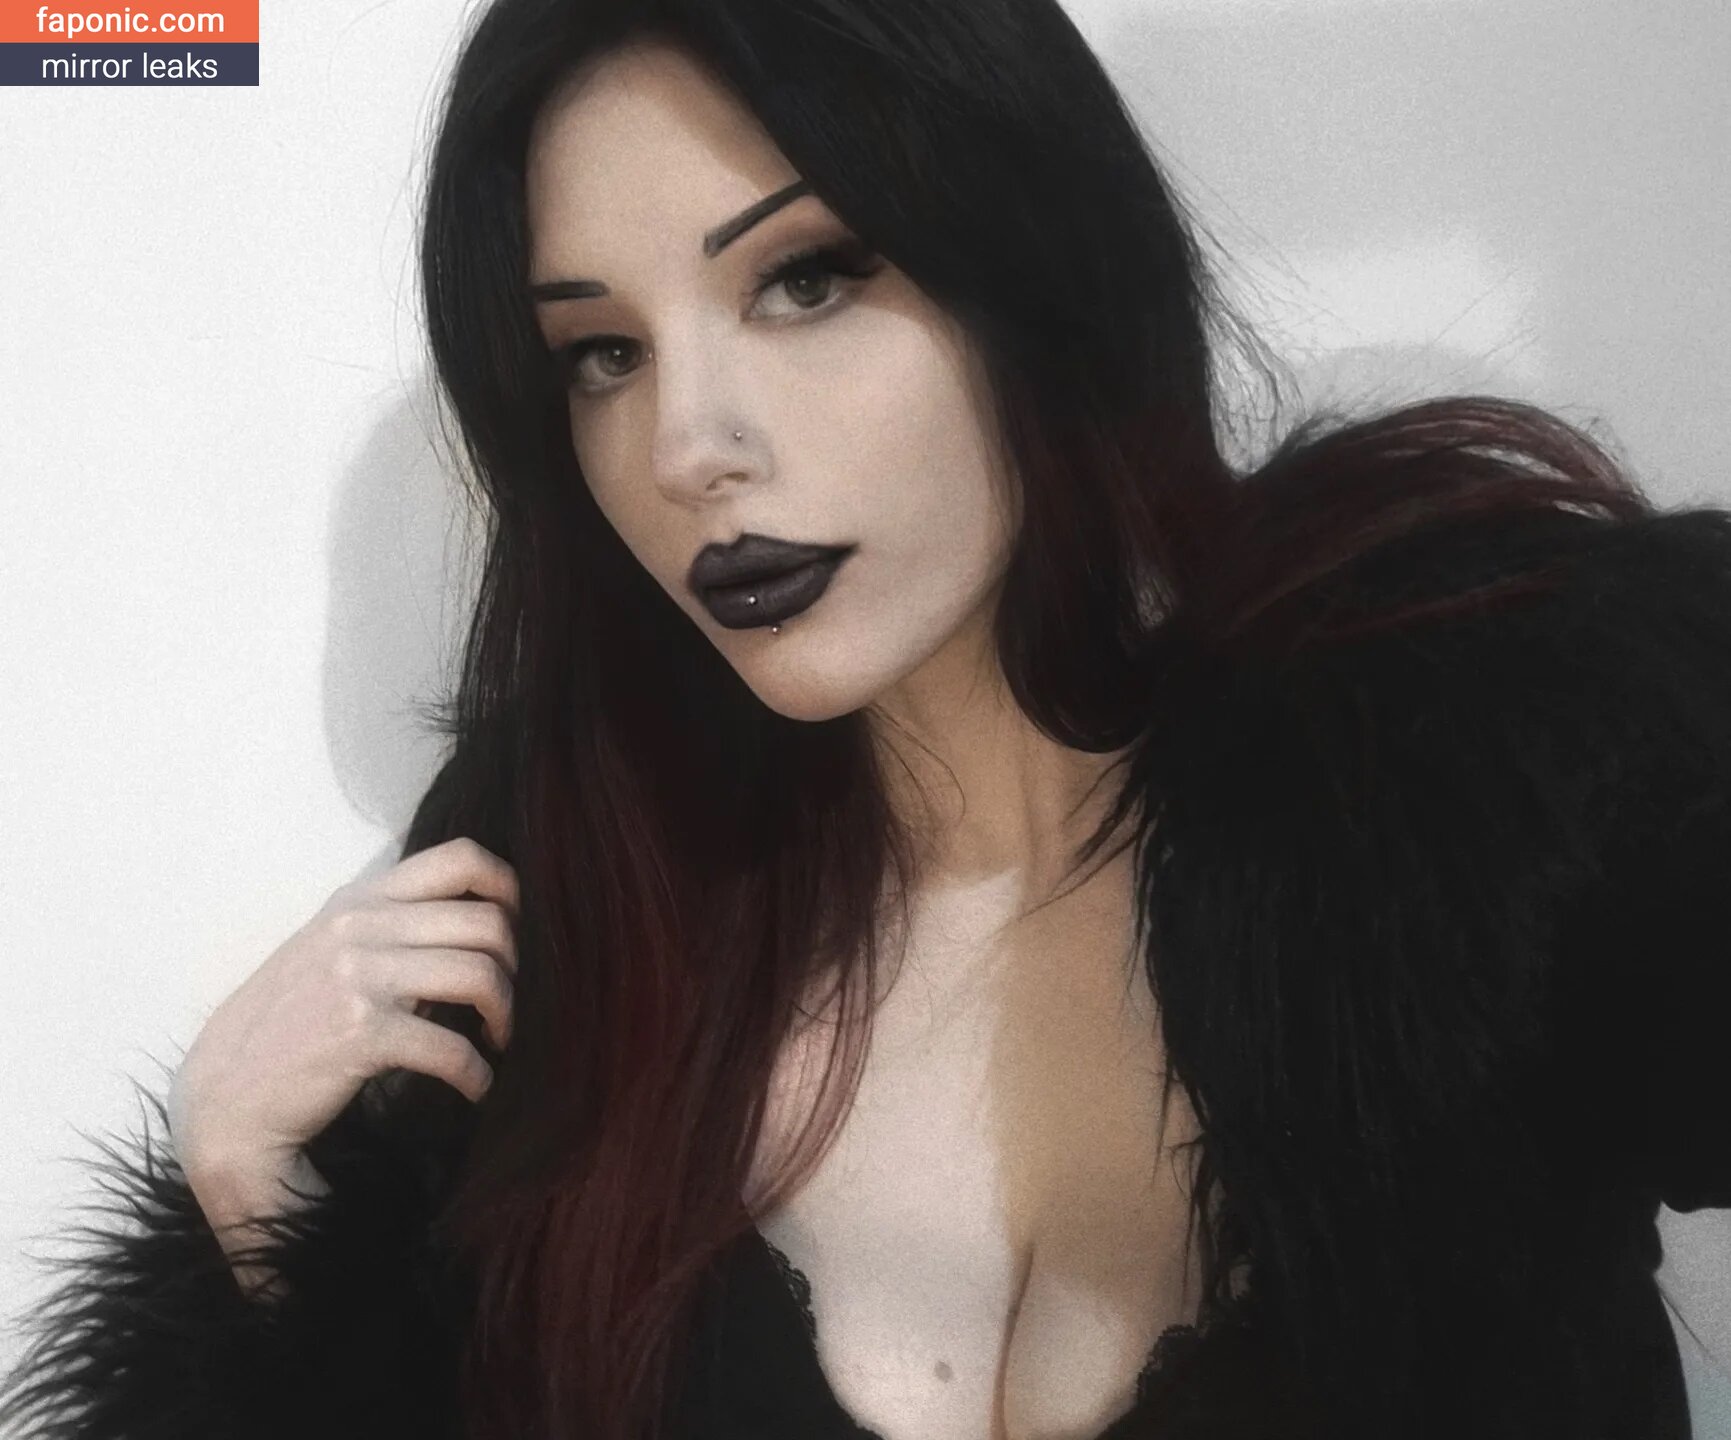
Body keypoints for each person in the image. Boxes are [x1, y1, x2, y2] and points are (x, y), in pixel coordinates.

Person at [2, 1, 1727, 1437]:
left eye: (805, 278)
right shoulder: (572, 908)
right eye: (602, 354)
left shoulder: (1485, 777)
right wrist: (253, 1212)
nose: (688, 445)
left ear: (1031, 268)